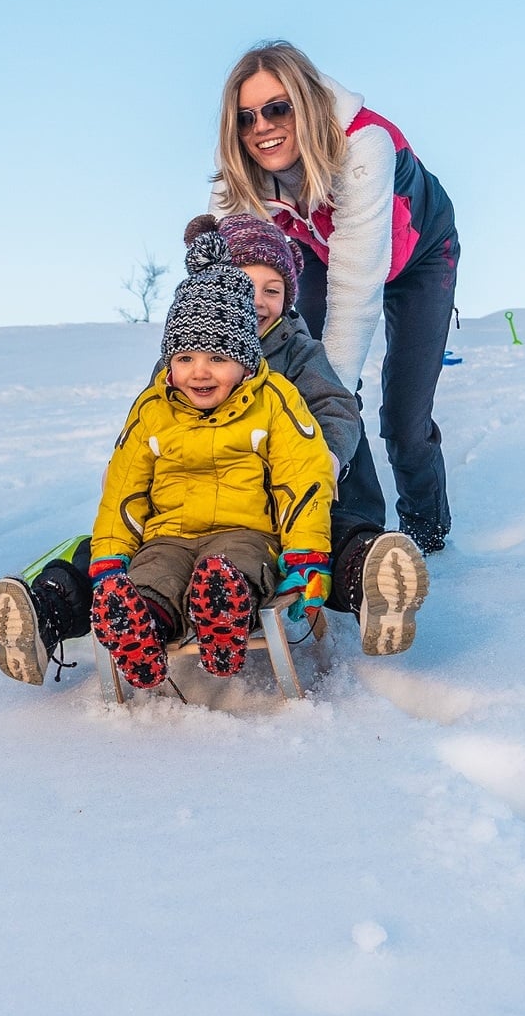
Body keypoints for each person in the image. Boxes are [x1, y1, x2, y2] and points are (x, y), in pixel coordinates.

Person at [0, 213, 430, 682]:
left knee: (323, 536)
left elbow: (333, 409)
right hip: (171, 522)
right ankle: (51, 612)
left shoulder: (291, 361)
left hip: (268, 504)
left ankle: (370, 580)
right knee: (114, 561)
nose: (256, 301)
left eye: (271, 290)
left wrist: (325, 456)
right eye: (243, 284)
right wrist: (126, 486)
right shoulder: (171, 374)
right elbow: (138, 445)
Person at [211, 40, 461, 557]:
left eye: (278, 108)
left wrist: (320, 419)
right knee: (299, 370)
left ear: (305, 103)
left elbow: (355, 295)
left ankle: (428, 534)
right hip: (327, 255)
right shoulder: (240, 169)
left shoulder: (363, 144)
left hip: (420, 257)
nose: (262, 127)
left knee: (402, 418)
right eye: (246, 117)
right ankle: (354, 530)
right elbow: (218, 277)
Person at [83, 231, 339, 689]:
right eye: (184, 357)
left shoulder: (274, 400)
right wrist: (110, 558)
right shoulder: (152, 409)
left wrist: (305, 552)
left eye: (217, 357)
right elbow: (124, 490)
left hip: (248, 532)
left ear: (244, 361)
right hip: (168, 536)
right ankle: (142, 628)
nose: (199, 372)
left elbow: (304, 475)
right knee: (152, 576)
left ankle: (222, 614)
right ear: (169, 363)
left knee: (233, 566)